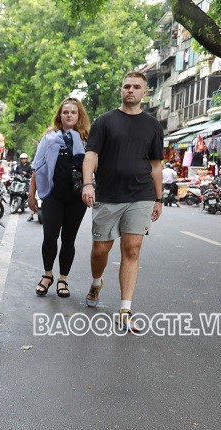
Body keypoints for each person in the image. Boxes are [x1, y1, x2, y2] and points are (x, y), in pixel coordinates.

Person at [81, 71, 164, 332]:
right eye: (126, 86)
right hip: (107, 195)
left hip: (140, 195)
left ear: (144, 92)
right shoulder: (105, 121)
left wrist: (159, 198)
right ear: (121, 90)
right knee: (100, 249)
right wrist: (87, 183)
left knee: (132, 250)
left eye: (136, 87)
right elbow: (91, 155)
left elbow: (155, 164)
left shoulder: (153, 126)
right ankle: (96, 283)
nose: (131, 90)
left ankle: (125, 309)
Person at [28, 97, 90, 297]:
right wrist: (31, 194)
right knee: (50, 237)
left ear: (79, 115)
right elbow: (37, 167)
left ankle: (63, 279)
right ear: (60, 115)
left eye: (73, 112)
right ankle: (47, 275)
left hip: (76, 198)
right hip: (53, 196)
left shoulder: (87, 139)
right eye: (65, 112)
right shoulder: (49, 138)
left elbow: (95, 168)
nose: (69, 115)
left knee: (68, 240)